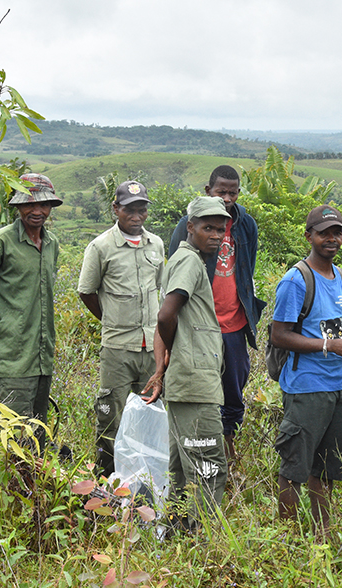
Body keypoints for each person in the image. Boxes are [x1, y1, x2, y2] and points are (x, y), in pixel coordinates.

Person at [271, 205, 342, 537]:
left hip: (340, 383)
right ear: (309, 236)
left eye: (337, 232)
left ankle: (321, 532)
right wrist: (331, 347)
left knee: (328, 466)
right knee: (295, 466)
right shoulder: (296, 280)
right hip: (305, 385)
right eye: (324, 232)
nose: (332, 238)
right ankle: (283, 537)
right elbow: (280, 335)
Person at [143, 196, 231, 527]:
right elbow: (166, 315)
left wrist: (164, 364)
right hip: (195, 384)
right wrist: (166, 359)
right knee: (208, 466)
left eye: (220, 230)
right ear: (190, 227)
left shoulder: (188, 259)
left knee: (183, 467)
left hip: (191, 380)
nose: (216, 235)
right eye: (208, 228)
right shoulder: (190, 262)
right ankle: (204, 542)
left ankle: (177, 535)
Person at [168, 165, 265, 463]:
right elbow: (176, 273)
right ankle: (196, 450)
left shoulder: (245, 225)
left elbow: (247, 267)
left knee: (234, 389)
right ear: (208, 190)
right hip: (200, 326)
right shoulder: (190, 223)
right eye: (221, 191)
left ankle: (229, 447)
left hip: (235, 322)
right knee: (202, 390)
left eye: (232, 192)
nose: (227, 198)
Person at [78, 180, 164, 477]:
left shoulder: (156, 245)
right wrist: (111, 319)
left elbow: (159, 288)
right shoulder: (101, 247)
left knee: (150, 414)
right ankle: (106, 480)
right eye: (130, 209)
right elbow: (87, 291)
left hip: (152, 346)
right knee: (110, 416)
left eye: (141, 209)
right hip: (117, 347)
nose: (136, 216)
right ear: (116, 209)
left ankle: (146, 480)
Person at [0, 173, 63, 447]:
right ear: (18, 206)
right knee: (11, 432)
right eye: (29, 204)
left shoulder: (51, 244)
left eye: (44, 205)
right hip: (10, 356)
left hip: (41, 354)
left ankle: (34, 485)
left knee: (37, 430)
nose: (37, 211)